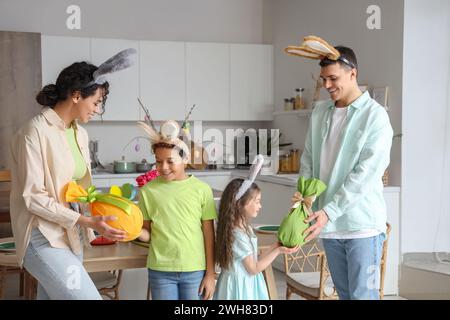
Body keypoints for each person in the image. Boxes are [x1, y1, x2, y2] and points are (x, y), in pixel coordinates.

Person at [9, 56, 134, 299]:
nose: (98, 110)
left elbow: (78, 188)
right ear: (76, 95)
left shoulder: (80, 134)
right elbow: (33, 198)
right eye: (96, 102)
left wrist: (101, 214)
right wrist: (87, 222)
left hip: (71, 236)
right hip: (42, 238)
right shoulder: (33, 133)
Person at [286, 37, 393, 299]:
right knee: (345, 295)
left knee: (361, 296)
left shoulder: (375, 116)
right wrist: (305, 197)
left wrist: (329, 211)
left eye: (333, 78)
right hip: (329, 225)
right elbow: (309, 158)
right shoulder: (321, 112)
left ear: (353, 73)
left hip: (361, 225)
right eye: (323, 80)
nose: (327, 85)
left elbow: (365, 174)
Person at [137, 120, 216, 300]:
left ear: (186, 159)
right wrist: (132, 230)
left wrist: (210, 274)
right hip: (161, 270)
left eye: (170, 161)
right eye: (158, 162)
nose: (163, 167)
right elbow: (147, 233)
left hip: (195, 269)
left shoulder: (202, 190)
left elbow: (209, 234)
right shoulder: (148, 191)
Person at [214, 156, 299, 300]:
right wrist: (277, 251)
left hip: (243, 282)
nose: (260, 206)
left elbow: (254, 260)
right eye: (257, 201)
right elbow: (253, 269)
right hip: (240, 287)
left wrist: (275, 246)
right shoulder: (238, 235)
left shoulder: (242, 228)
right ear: (241, 204)